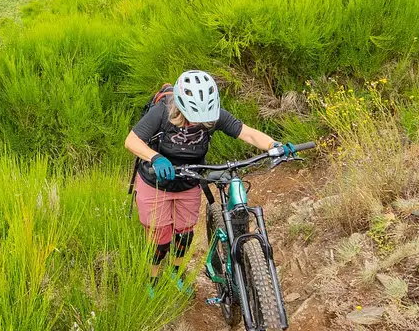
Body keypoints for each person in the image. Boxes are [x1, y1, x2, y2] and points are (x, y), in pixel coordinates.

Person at [126, 69, 294, 294]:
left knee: (185, 234)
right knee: (160, 238)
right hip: (156, 182)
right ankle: (152, 278)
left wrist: (274, 145)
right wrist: (155, 157)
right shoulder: (162, 112)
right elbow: (132, 140)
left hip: (189, 181)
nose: (200, 122)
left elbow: (247, 133)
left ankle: (175, 272)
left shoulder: (214, 115)